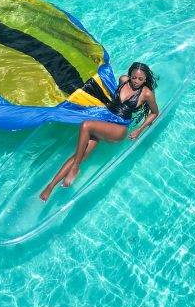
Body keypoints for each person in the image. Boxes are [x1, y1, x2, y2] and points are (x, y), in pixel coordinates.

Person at [39, 62, 160, 202]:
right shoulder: (123, 80)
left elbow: (154, 112)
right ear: (130, 75)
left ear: (145, 80)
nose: (136, 81)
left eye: (140, 79)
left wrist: (139, 129)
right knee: (78, 155)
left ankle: (76, 168)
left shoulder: (146, 93)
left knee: (86, 125)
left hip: (119, 129)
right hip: (105, 121)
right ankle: (50, 186)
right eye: (134, 77)